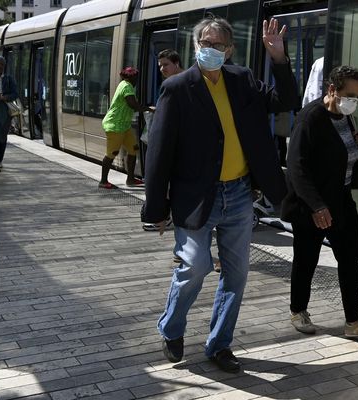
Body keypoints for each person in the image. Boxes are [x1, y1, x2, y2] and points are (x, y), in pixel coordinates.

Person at [142, 16, 298, 373]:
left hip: (239, 194)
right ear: (196, 45)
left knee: (237, 274)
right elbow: (159, 152)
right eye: (205, 43)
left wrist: (278, 58)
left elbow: (285, 99)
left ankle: (220, 344)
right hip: (195, 197)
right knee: (194, 267)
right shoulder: (178, 88)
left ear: (229, 50)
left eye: (218, 45)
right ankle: (171, 327)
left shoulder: (241, 79)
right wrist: (156, 209)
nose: (210, 50)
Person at [281, 65, 358, 339]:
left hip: (341, 199)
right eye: (350, 95)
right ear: (332, 90)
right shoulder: (310, 119)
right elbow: (296, 168)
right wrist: (317, 206)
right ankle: (298, 309)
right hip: (312, 206)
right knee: (306, 260)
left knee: (351, 260)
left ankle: (355, 321)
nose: (355, 101)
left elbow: (342, 153)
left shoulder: (345, 117)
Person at [142, 50, 185, 232]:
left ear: (177, 63)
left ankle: (169, 219)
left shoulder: (184, 82)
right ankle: (168, 218)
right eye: (160, 65)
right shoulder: (170, 83)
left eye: (166, 64)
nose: (162, 69)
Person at [99, 67, 154, 189]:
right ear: (132, 77)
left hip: (124, 126)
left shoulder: (123, 84)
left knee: (133, 149)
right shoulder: (127, 86)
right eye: (136, 78)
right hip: (115, 125)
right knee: (111, 153)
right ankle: (103, 181)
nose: (137, 80)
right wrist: (150, 109)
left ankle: (130, 179)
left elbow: (132, 105)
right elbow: (132, 104)